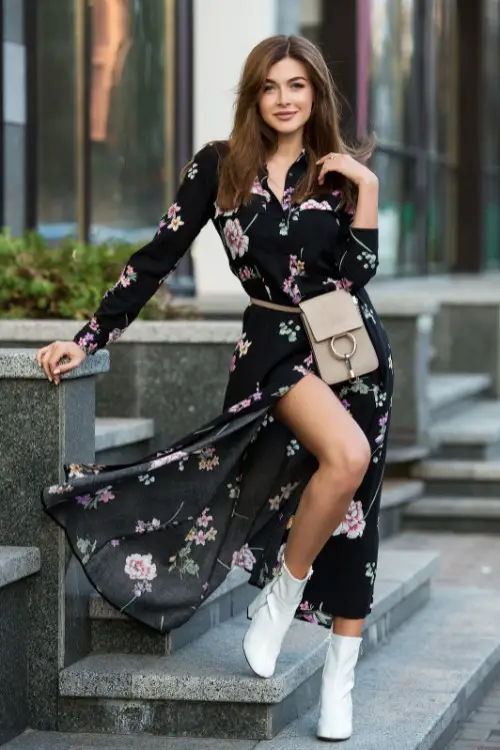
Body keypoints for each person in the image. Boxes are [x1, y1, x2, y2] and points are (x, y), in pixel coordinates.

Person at [37, 34, 393, 742]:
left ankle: (338, 689)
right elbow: (155, 259)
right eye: (271, 86)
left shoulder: (340, 174)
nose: (285, 98)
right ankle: (282, 595)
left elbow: (357, 275)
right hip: (275, 352)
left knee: (356, 522)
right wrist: (86, 339)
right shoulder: (220, 167)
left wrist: (368, 188)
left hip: (351, 354)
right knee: (347, 459)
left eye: (298, 85)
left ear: (316, 92)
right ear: (254, 95)